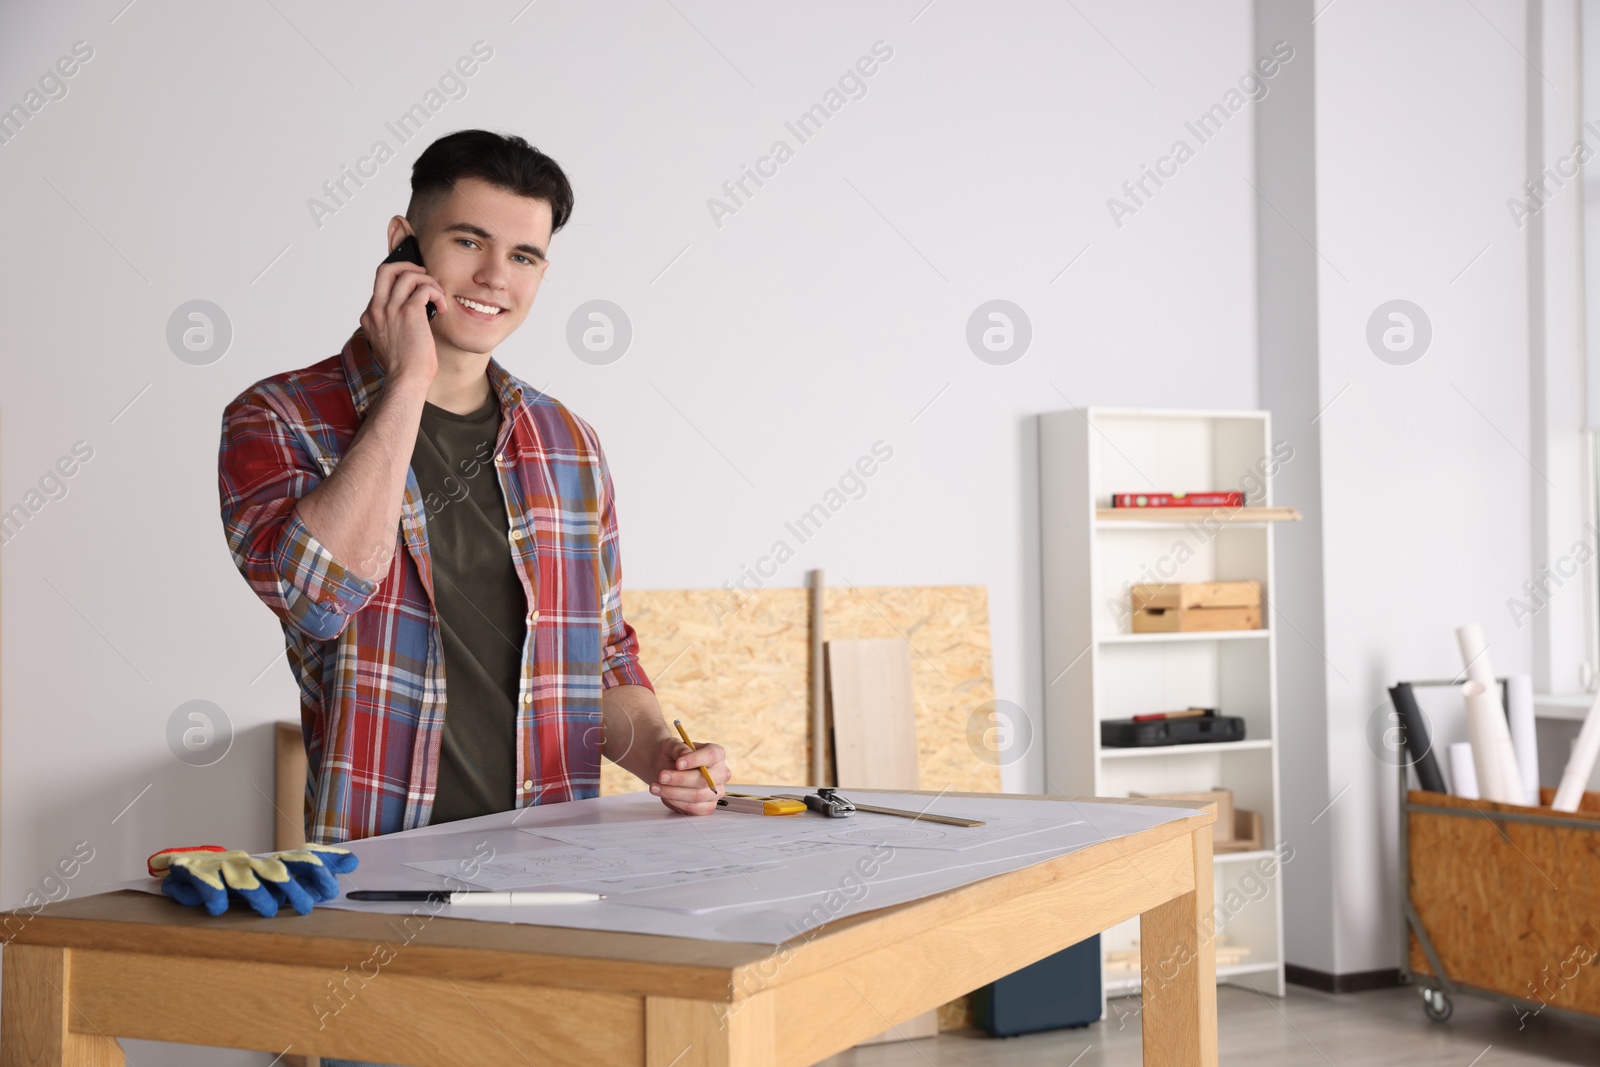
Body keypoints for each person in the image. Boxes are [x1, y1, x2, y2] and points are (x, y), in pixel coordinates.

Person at [218, 129, 730, 849]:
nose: (496, 276)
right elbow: (315, 596)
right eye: (468, 241)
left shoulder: (570, 445)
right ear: (403, 244)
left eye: (524, 256)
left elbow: (604, 658)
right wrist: (407, 381)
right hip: (380, 871)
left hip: (553, 868)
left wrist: (662, 756)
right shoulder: (279, 417)